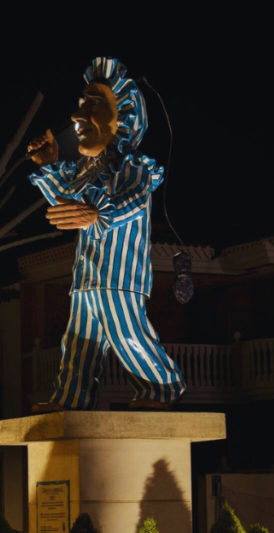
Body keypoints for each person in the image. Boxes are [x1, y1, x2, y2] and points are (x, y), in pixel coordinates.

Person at [27, 57, 185, 412]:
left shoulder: (136, 168)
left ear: (125, 117)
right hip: (86, 279)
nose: (77, 115)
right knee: (79, 342)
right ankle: (71, 398)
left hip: (118, 278)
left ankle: (163, 386)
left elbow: (129, 204)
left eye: (92, 104)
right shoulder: (87, 171)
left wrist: (96, 213)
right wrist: (50, 165)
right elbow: (69, 205)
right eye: (81, 103)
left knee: (127, 334)